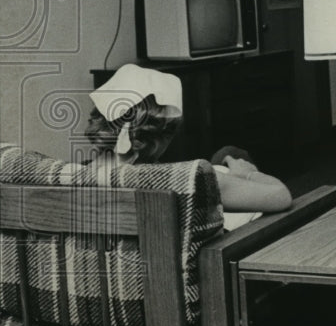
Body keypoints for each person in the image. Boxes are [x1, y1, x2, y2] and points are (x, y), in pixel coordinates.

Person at [86, 63, 292, 213]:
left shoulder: (73, 179)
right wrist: (248, 174)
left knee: (223, 157)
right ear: (164, 134)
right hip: (211, 250)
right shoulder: (191, 180)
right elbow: (282, 196)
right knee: (232, 156)